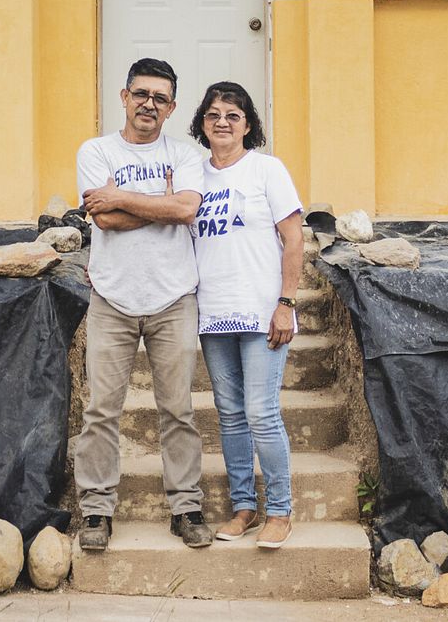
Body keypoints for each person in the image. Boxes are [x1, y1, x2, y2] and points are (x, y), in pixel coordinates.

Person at [72, 58, 214, 551]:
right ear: (123, 96)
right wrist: (161, 202)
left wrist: (122, 197)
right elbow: (105, 221)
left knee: (177, 409)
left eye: (159, 98)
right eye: (141, 94)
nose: (148, 104)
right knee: (101, 411)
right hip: (111, 298)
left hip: (174, 297)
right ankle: (95, 511)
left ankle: (186, 506)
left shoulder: (188, 152)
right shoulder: (95, 150)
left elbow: (187, 209)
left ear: (171, 107)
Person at [186, 81, 304, 550]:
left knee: (262, 413)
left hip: (262, 313)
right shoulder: (195, 176)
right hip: (214, 313)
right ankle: (243, 508)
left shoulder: (266, 170)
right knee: (230, 415)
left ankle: (280, 510)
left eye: (232, 115)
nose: (222, 122)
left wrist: (286, 302)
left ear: (247, 125)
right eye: (213, 114)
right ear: (201, 124)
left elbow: (293, 240)